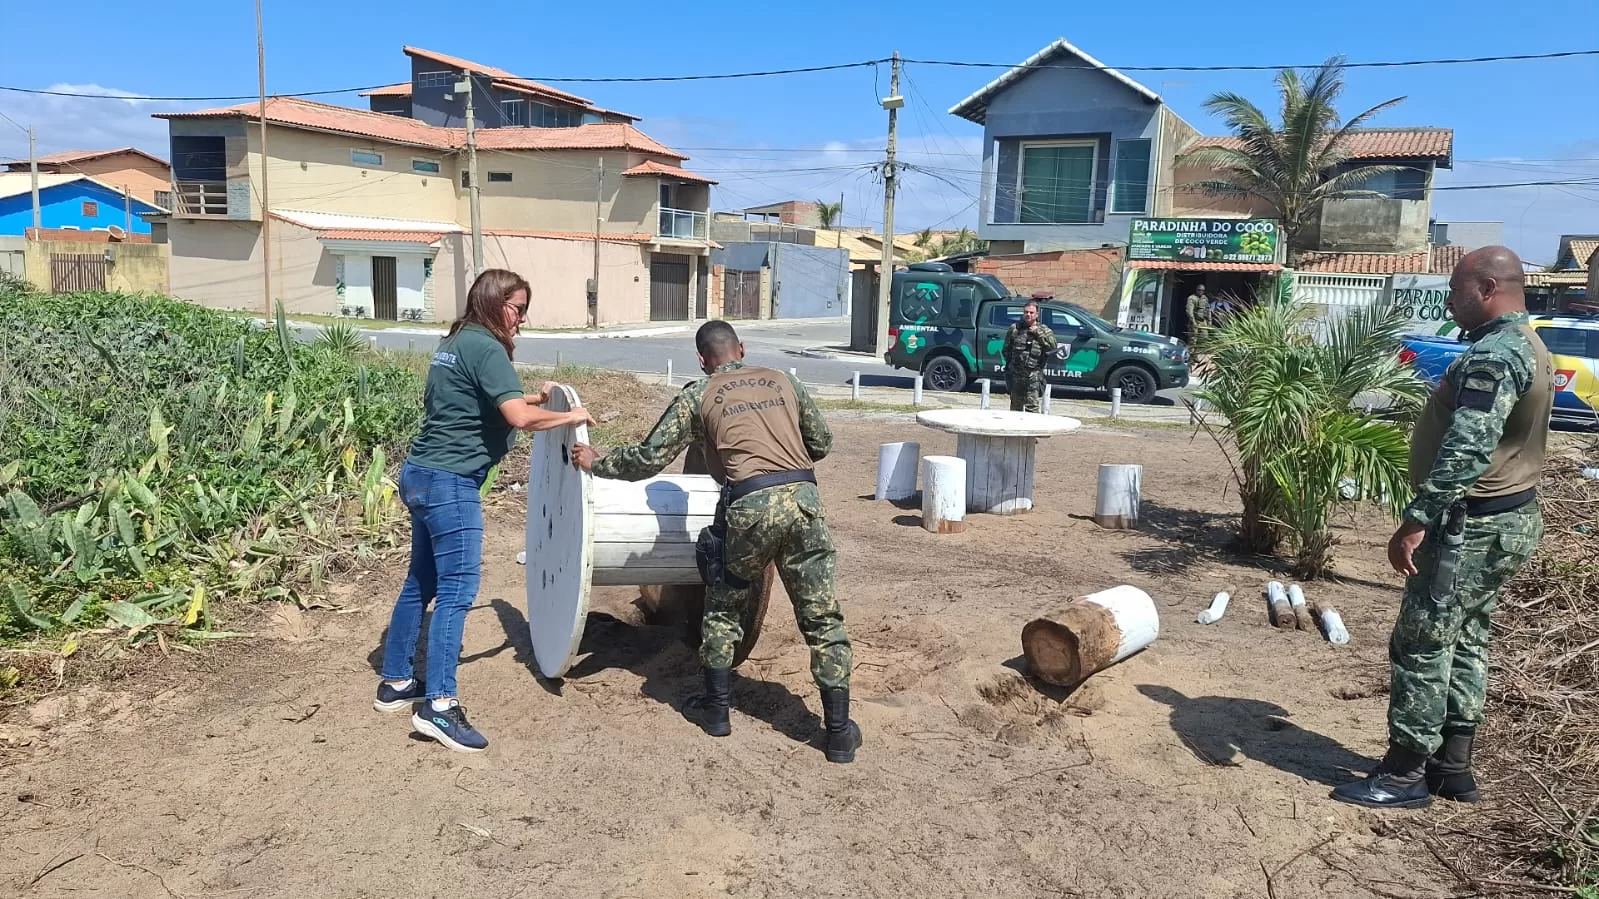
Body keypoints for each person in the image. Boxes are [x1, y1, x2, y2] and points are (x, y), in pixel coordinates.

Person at [570, 321, 863, 764]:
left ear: (702, 360)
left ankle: (716, 711)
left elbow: (650, 458)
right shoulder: (785, 380)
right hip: (804, 502)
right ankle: (838, 733)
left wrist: (598, 462)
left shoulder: (697, 393)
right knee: (821, 616)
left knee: (723, 607)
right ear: (741, 349)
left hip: (747, 509)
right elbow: (821, 444)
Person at [1332, 247, 1551, 809]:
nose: (1449, 299)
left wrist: (1417, 518)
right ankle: (1453, 768)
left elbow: (1469, 445)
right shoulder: (1529, 343)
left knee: (1422, 644)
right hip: (1506, 521)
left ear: (1485, 287)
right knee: (1467, 638)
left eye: (1455, 288)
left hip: (1468, 529)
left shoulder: (1496, 354)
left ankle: (1403, 775)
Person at [375, 269, 594, 753]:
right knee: (456, 592)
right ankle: (440, 705)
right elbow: (519, 419)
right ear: (495, 303)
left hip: (420, 475)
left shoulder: (457, 340)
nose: (521, 320)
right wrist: (569, 415)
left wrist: (531, 397)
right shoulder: (488, 348)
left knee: (422, 582)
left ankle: (394, 682)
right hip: (451, 483)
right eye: (517, 308)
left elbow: (480, 402)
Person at [1002, 301, 1057, 413]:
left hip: (1033, 376)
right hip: (1016, 376)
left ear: (1037, 314)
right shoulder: (1015, 329)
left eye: (1031, 312)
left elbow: (1052, 348)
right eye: (1026, 312)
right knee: (1015, 408)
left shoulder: (1045, 331)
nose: (1028, 315)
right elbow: (1006, 350)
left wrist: (1038, 333)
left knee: (1032, 408)